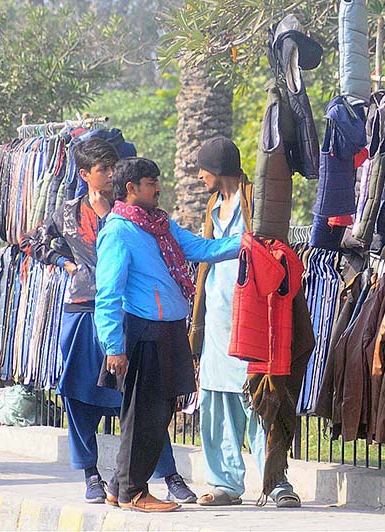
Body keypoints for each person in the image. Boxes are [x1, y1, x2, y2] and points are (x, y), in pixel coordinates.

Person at [22, 139, 196, 505]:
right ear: (85, 175)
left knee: (140, 400)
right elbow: (32, 243)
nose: (111, 174)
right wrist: (64, 264)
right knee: (80, 395)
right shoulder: (67, 213)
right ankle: (92, 474)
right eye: (103, 169)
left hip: (125, 314)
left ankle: (166, 474)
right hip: (83, 309)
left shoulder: (129, 214)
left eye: (114, 167)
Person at [94, 157, 241, 512]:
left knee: (157, 413)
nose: (158, 187)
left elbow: (199, 249)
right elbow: (108, 294)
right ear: (131, 189)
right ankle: (134, 492)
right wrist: (114, 347)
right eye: (151, 182)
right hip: (143, 333)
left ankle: (117, 487)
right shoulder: (119, 230)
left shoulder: (158, 224)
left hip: (169, 330)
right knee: (144, 414)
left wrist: (246, 243)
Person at [189, 136, 301, 508]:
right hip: (217, 319)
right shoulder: (212, 206)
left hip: (253, 315)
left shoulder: (256, 200)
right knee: (218, 400)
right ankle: (225, 483)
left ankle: (276, 480)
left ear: (218, 168)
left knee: (262, 397)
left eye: (203, 168)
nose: (200, 175)